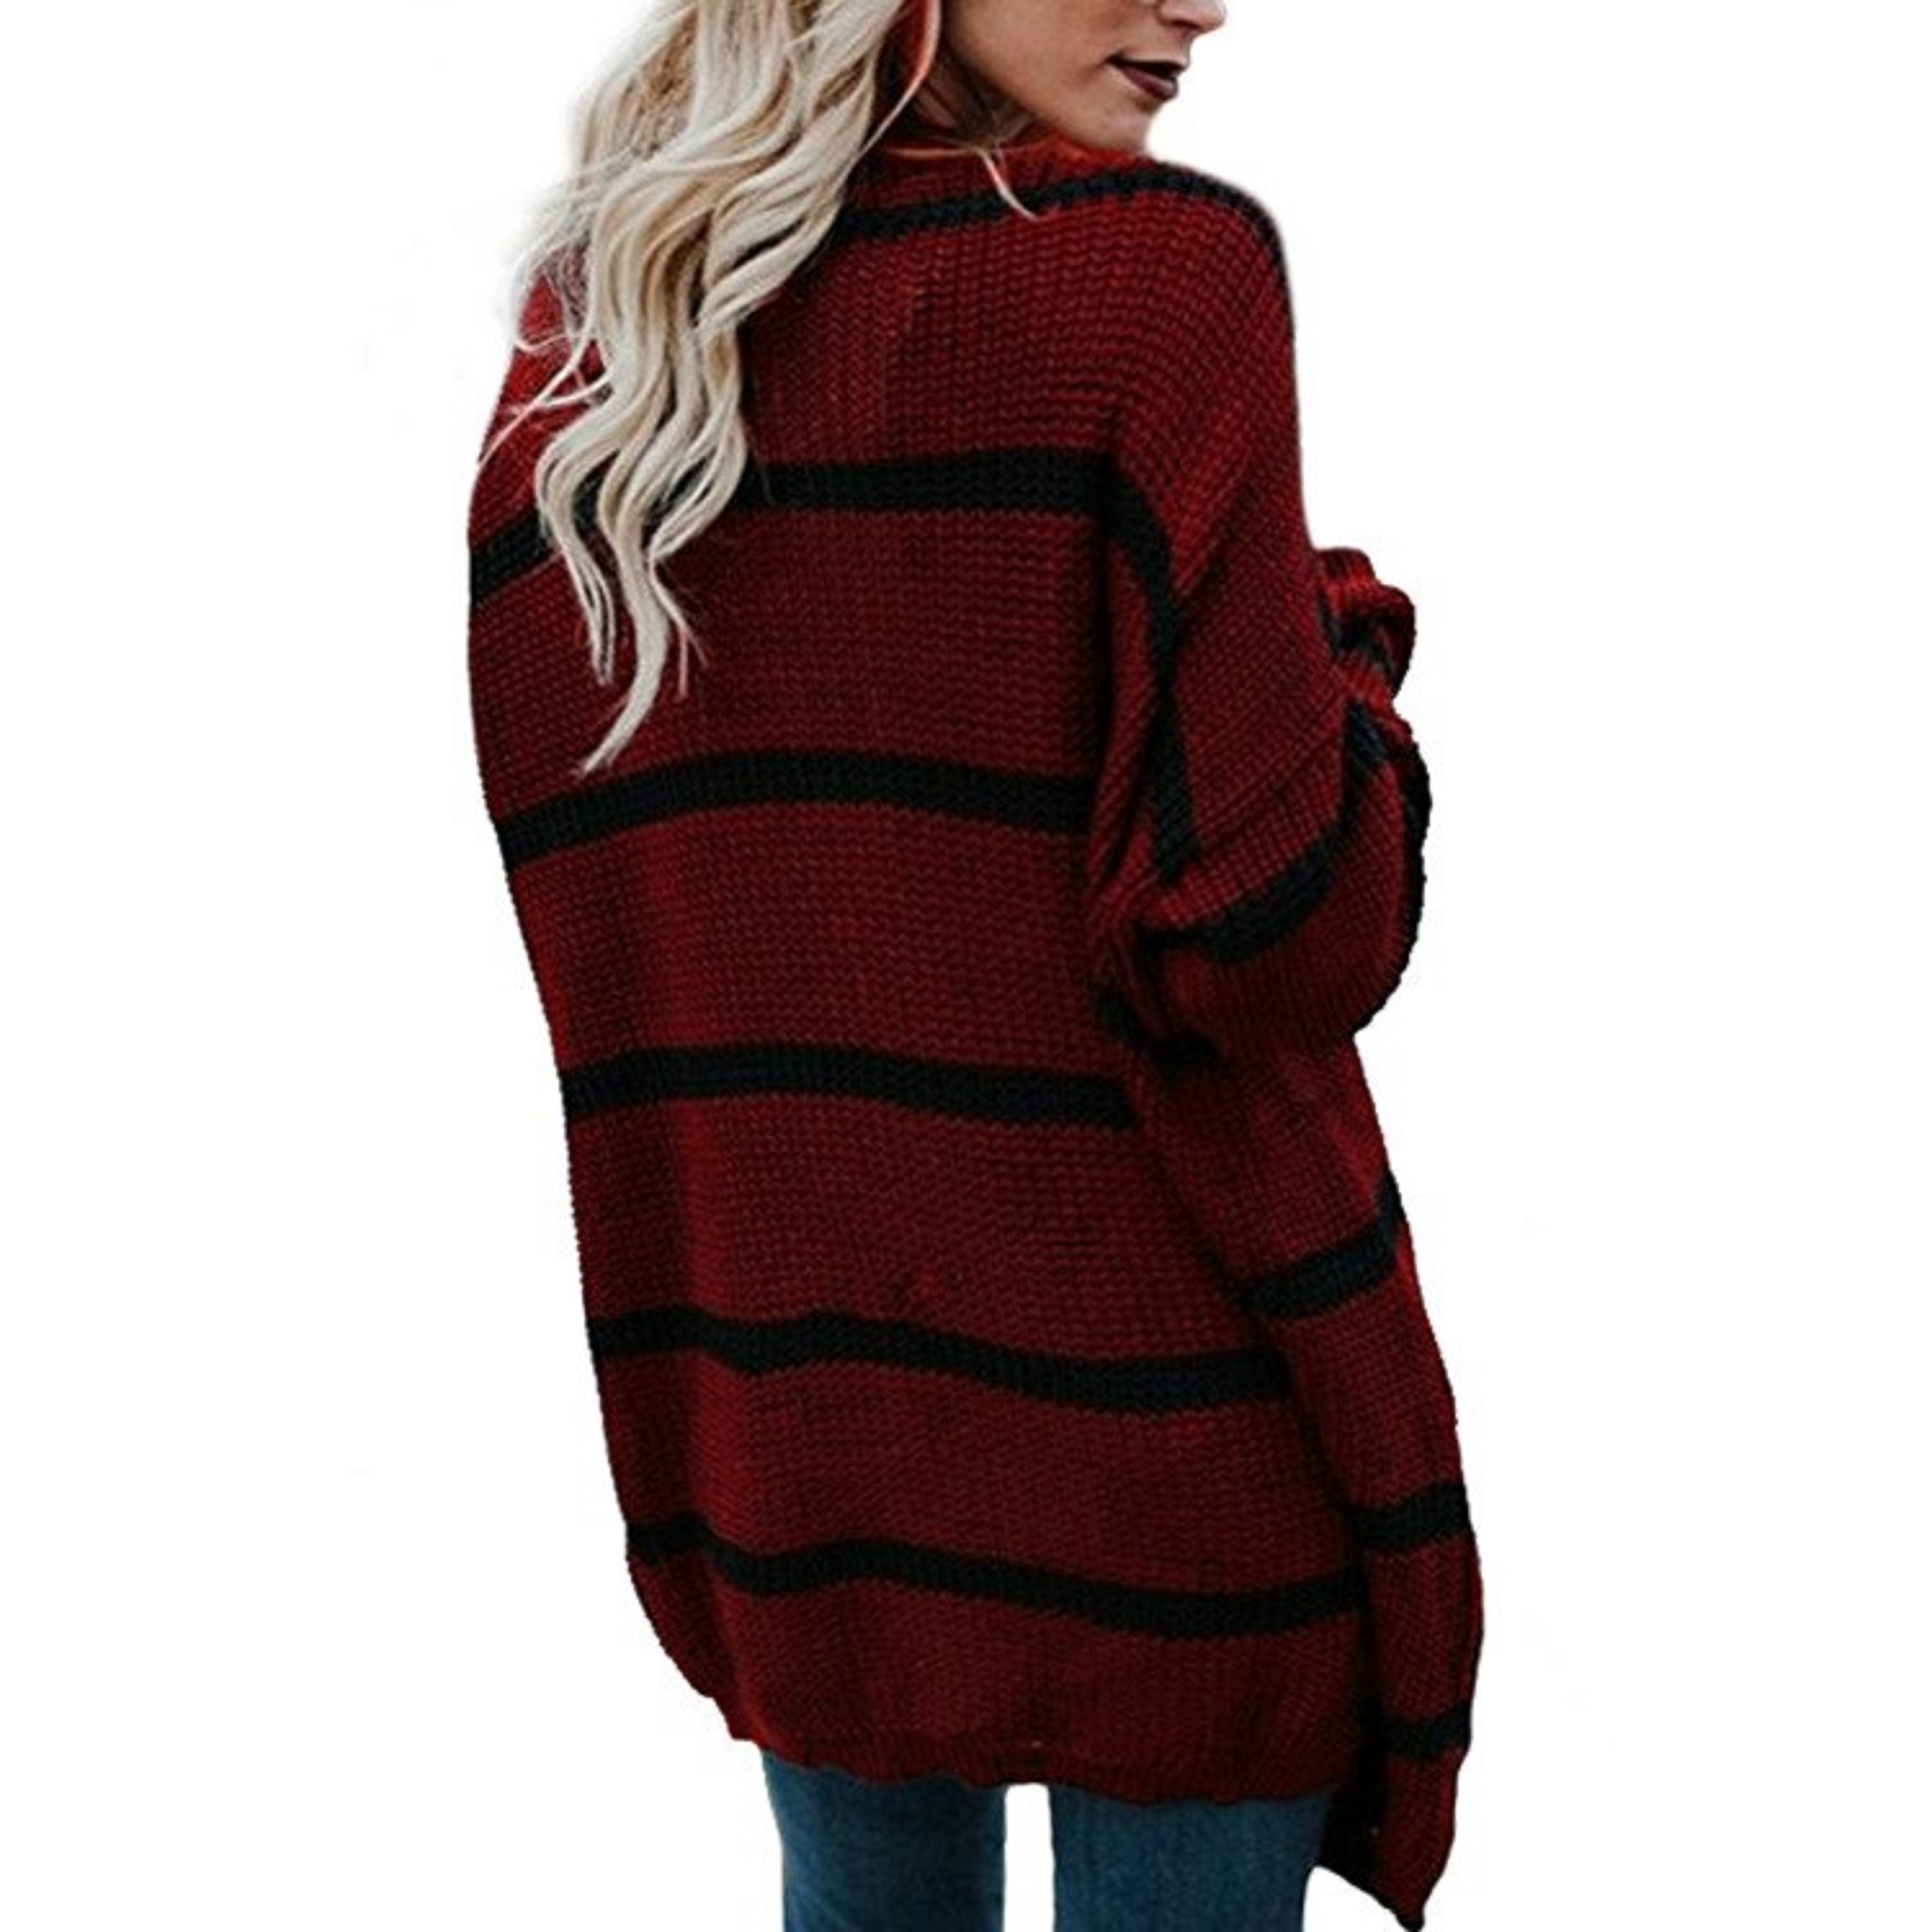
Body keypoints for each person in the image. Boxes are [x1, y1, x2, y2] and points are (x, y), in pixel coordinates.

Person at [465, 2, 1483, 1927]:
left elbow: (616, 912)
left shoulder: (602, 348)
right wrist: (1339, 644)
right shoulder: (1157, 278)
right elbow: (1281, 932)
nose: (1202, 2)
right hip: (1169, 1437)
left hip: (805, 1421)